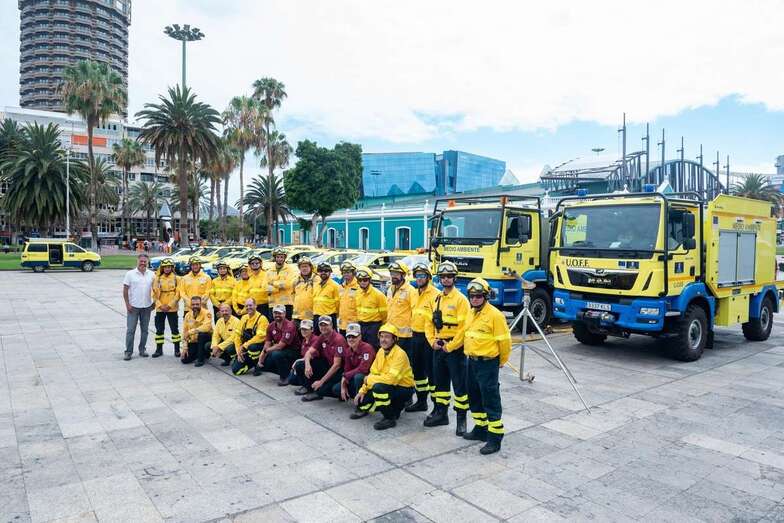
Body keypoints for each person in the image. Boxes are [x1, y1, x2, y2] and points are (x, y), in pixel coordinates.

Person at [460, 278, 511, 455]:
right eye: (472, 296)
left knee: (490, 400)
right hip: (472, 362)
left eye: (478, 296)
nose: (474, 299)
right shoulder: (471, 312)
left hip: (488, 363)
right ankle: (480, 429)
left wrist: (501, 361)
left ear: (486, 296)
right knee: (474, 396)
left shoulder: (495, 315)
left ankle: (495, 438)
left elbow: (505, 342)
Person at [424, 261, 470, 436]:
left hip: (454, 350)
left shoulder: (461, 300)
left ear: (454, 278)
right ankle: (441, 414)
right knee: (440, 384)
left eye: (449, 276)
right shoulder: (436, 298)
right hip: (438, 347)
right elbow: (429, 323)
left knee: (459, 387)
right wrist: (432, 342)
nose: (446, 279)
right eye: (442, 276)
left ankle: (461, 420)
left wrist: (451, 346)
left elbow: (464, 328)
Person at [354, 324, 414, 430]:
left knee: (378, 388)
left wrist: (369, 380)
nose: (383, 340)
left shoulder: (400, 354)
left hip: (403, 389)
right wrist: (362, 391)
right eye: (381, 336)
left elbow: (391, 380)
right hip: (387, 385)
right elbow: (373, 372)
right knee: (361, 384)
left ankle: (389, 418)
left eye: (387, 337)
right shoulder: (381, 351)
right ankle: (371, 408)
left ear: (394, 339)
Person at [406, 262, 440, 413]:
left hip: (429, 338)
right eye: (417, 275)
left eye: (422, 275)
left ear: (428, 277)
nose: (419, 278)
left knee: (432, 373)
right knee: (418, 371)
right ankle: (421, 401)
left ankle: (437, 407)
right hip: (415, 336)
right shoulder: (413, 293)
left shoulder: (436, 294)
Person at [293, 315, 346, 401]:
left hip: (339, 371)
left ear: (331, 325)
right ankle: (310, 389)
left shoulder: (338, 339)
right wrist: (307, 365)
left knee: (323, 389)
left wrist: (321, 381)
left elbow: (337, 365)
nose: (323, 327)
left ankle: (323, 391)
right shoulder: (322, 336)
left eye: (326, 325)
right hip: (327, 365)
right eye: (321, 325)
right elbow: (308, 352)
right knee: (300, 365)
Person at [254, 304, 300, 384]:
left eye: (280, 313)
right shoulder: (271, 326)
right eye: (275, 313)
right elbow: (267, 344)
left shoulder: (290, 326)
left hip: (293, 351)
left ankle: (285, 377)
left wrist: (266, 351)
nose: (277, 315)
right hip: (281, 350)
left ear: (284, 314)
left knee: (276, 354)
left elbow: (280, 346)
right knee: (266, 363)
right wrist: (260, 360)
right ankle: (285, 371)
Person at [337, 323, 376, 416]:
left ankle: (362, 407)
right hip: (356, 379)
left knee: (359, 377)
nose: (351, 339)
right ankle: (358, 397)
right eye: (349, 337)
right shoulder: (348, 350)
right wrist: (343, 384)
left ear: (360, 337)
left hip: (370, 380)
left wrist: (345, 376)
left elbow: (363, 369)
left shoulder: (367, 348)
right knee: (336, 389)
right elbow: (346, 369)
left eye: (354, 336)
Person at [122, 254, 155, 360]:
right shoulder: (130, 274)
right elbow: (125, 290)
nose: (143, 263)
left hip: (147, 307)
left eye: (145, 261)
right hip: (133, 307)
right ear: (137, 261)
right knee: (131, 330)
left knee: (145, 330)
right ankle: (128, 351)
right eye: (141, 261)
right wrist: (127, 304)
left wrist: (154, 302)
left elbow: (156, 290)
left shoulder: (152, 274)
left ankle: (142, 349)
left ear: (147, 262)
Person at [385, 262, 417, 359]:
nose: (393, 276)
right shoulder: (390, 289)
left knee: (404, 361)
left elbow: (415, 312)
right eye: (392, 273)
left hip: (405, 336)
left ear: (403, 275)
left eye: (396, 273)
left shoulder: (410, 291)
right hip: (391, 333)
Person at [231, 298, 270, 375]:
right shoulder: (244, 318)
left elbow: (260, 337)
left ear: (255, 306)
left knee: (253, 347)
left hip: (259, 347)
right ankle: (249, 363)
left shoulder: (262, 319)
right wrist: (238, 351)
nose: (248, 307)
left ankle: (258, 365)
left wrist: (244, 346)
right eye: (246, 306)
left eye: (250, 305)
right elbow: (237, 335)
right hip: (246, 348)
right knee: (236, 370)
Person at [151, 258, 181, 358]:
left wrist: (170, 305)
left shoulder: (177, 279)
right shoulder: (157, 279)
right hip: (160, 308)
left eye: (169, 267)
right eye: (165, 267)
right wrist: (160, 305)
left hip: (172, 308)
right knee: (159, 329)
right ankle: (159, 350)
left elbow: (178, 294)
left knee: (174, 330)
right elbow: (154, 293)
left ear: (172, 268)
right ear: (162, 268)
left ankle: (177, 350)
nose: (167, 269)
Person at [355, 267, 387, 348]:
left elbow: (385, 315)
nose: (362, 282)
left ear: (370, 280)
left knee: (372, 349)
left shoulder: (378, 295)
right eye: (360, 280)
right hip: (361, 326)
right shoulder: (357, 293)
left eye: (365, 280)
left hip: (373, 327)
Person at [181, 296, 213, 367]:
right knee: (184, 359)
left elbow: (206, 327)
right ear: (191, 305)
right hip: (194, 341)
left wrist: (191, 332)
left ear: (201, 304)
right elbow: (185, 332)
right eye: (193, 304)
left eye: (197, 304)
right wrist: (185, 347)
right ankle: (201, 354)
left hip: (206, 338)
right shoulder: (188, 315)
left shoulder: (207, 313)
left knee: (201, 334)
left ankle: (200, 359)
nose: (195, 306)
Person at [266, 247, 297, 319]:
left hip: (287, 303)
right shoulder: (269, 270)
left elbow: (288, 284)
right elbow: (265, 286)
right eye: (278, 257)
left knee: (287, 324)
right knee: (273, 324)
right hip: (273, 304)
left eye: (282, 257)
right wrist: (277, 288)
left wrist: (273, 283)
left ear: (284, 258)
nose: (280, 259)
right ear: (275, 258)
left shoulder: (290, 270)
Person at [286, 319, 317, 387]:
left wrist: (297, 361)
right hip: (304, 362)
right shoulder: (304, 340)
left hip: (314, 364)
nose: (303, 331)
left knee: (299, 364)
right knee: (291, 380)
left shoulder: (315, 340)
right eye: (302, 329)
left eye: (306, 329)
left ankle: (307, 386)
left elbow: (314, 356)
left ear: (312, 329)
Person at [312, 262, 340, 333]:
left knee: (331, 338)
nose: (323, 272)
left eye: (326, 271)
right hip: (317, 316)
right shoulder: (316, 285)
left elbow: (338, 303)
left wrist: (335, 316)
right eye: (321, 271)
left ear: (330, 272)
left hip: (329, 317)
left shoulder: (335, 286)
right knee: (317, 337)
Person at [338, 261, 359, 337]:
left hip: (354, 325)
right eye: (344, 272)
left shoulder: (359, 286)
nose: (346, 274)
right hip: (342, 325)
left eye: (348, 272)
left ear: (353, 272)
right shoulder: (341, 287)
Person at [292, 257, 315, 326]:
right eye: (302, 267)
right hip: (297, 316)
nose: (304, 269)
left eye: (306, 266)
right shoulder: (296, 280)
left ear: (311, 267)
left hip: (311, 317)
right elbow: (292, 295)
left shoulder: (316, 279)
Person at [247, 255, 270, 320]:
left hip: (264, 306)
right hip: (254, 307)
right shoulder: (250, 277)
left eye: (257, 263)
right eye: (252, 263)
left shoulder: (266, 275)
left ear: (260, 264)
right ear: (250, 265)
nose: (255, 265)